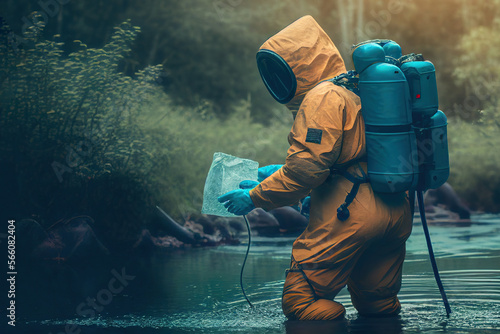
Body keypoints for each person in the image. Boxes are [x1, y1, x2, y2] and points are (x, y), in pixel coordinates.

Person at [218, 15, 412, 320]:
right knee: (378, 306)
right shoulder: (358, 89)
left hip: (351, 215)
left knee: (301, 303)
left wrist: (254, 198)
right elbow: (345, 158)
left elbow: (305, 172)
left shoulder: (323, 96)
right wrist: (268, 175)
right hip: (395, 210)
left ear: (298, 65)